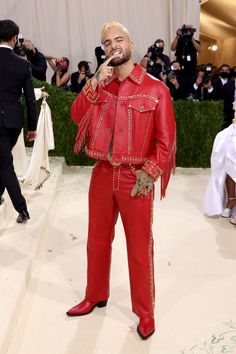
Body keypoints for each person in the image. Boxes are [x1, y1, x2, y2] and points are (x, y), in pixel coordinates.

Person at [66, 21, 176, 340]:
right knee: (96, 242)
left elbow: (166, 143)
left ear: (130, 44)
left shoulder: (156, 89)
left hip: (136, 178)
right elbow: (76, 115)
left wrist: (151, 172)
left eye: (119, 39)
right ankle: (94, 295)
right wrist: (94, 81)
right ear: (102, 50)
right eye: (107, 42)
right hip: (102, 172)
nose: (113, 45)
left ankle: (145, 313)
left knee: (139, 249)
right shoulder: (101, 84)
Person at [0, 19, 37, 223]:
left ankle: (22, 209)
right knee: (3, 159)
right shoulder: (23, 64)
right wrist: (32, 127)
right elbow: (30, 99)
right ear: (15, 39)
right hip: (14, 121)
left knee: (4, 163)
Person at [171, 25, 201, 93]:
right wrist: (177, 36)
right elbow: (172, 48)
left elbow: (199, 50)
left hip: (191, 70)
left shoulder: (194, 41)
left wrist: (191, 38)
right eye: (186, 31)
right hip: (180, 70)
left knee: (190, 87)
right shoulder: (179, 41)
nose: (187, 33)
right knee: (180, 87)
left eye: (189, 31)